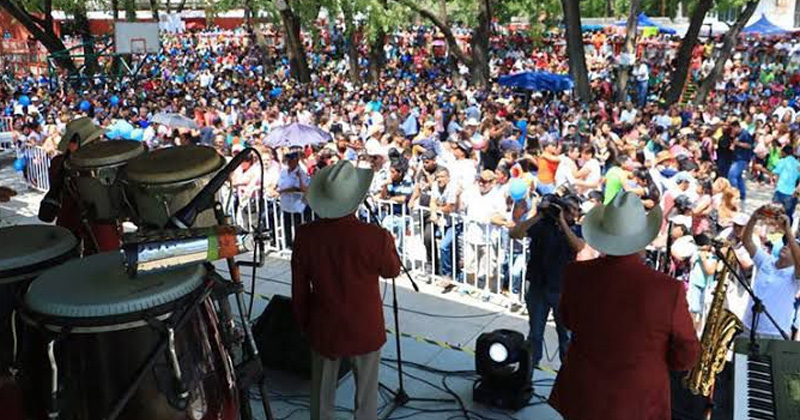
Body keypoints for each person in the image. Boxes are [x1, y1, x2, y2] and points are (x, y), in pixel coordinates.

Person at [549, 192, 700, 420]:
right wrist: (653, 358)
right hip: (637, 400)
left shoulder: (576, 273)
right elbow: (687, 355)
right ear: (644, 238)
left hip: (583, 393)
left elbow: (568, 320)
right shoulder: (668, 289)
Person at [292, 160, 401, 420]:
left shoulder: (305, 235)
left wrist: (304, 324)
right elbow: (392, 271)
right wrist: (389, 244)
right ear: (356, 199)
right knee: (366, 400)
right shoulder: (376, 236)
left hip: (324, 326)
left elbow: (299, 289)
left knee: (321, 398)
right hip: (365, 326)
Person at [509, 194, 585, 367]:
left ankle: (567, 374)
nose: (569, 212)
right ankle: (530, 370)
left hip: (563, 291)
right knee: (535, 334)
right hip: (537, 287)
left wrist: (562, 222)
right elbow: (514, 234)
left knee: (565, 336)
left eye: (573, 209)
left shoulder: (577, 229)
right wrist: (538, 215)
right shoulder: (542, 224)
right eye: (566, 208)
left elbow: (579, 247)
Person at [741, 206, 800, 338]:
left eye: (791, 248)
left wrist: (788, 231)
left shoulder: (794, 275)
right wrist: (754, 218)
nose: (786, 247)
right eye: (786, 244)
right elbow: (747, 242)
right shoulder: (767, 260)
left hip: (775, 333)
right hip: (749, 327)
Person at [277, 150, 311, 249]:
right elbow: (279, 183)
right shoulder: (283, 171)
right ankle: (288, 244)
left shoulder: (301, 172)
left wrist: (283, 190)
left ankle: (299, 244)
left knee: (297, 225)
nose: (289, 162)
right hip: (286, 203)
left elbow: (300, 188)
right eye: (288, 160)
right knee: (287, 224)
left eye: (292, 160)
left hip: (297, 204)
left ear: (296, 161)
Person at [769, 145, 800, 223]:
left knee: (774, 214)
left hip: (780, 191)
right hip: (792, 194)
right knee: (788, 216)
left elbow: (776, 174)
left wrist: (775, 184)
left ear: (784, 153)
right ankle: (787, 230)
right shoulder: (797, 164)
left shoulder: (782, 161)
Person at [728, 121, 754, 204]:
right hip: (736, 157)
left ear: (737, 127)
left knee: (732, 175)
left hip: (742, 158)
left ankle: (734, 194)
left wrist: (738, 144)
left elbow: (749, 146)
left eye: (733, 129)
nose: (732, 131)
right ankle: (742, 194)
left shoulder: (745, 134)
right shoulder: (737, 135)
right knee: (738, 177)